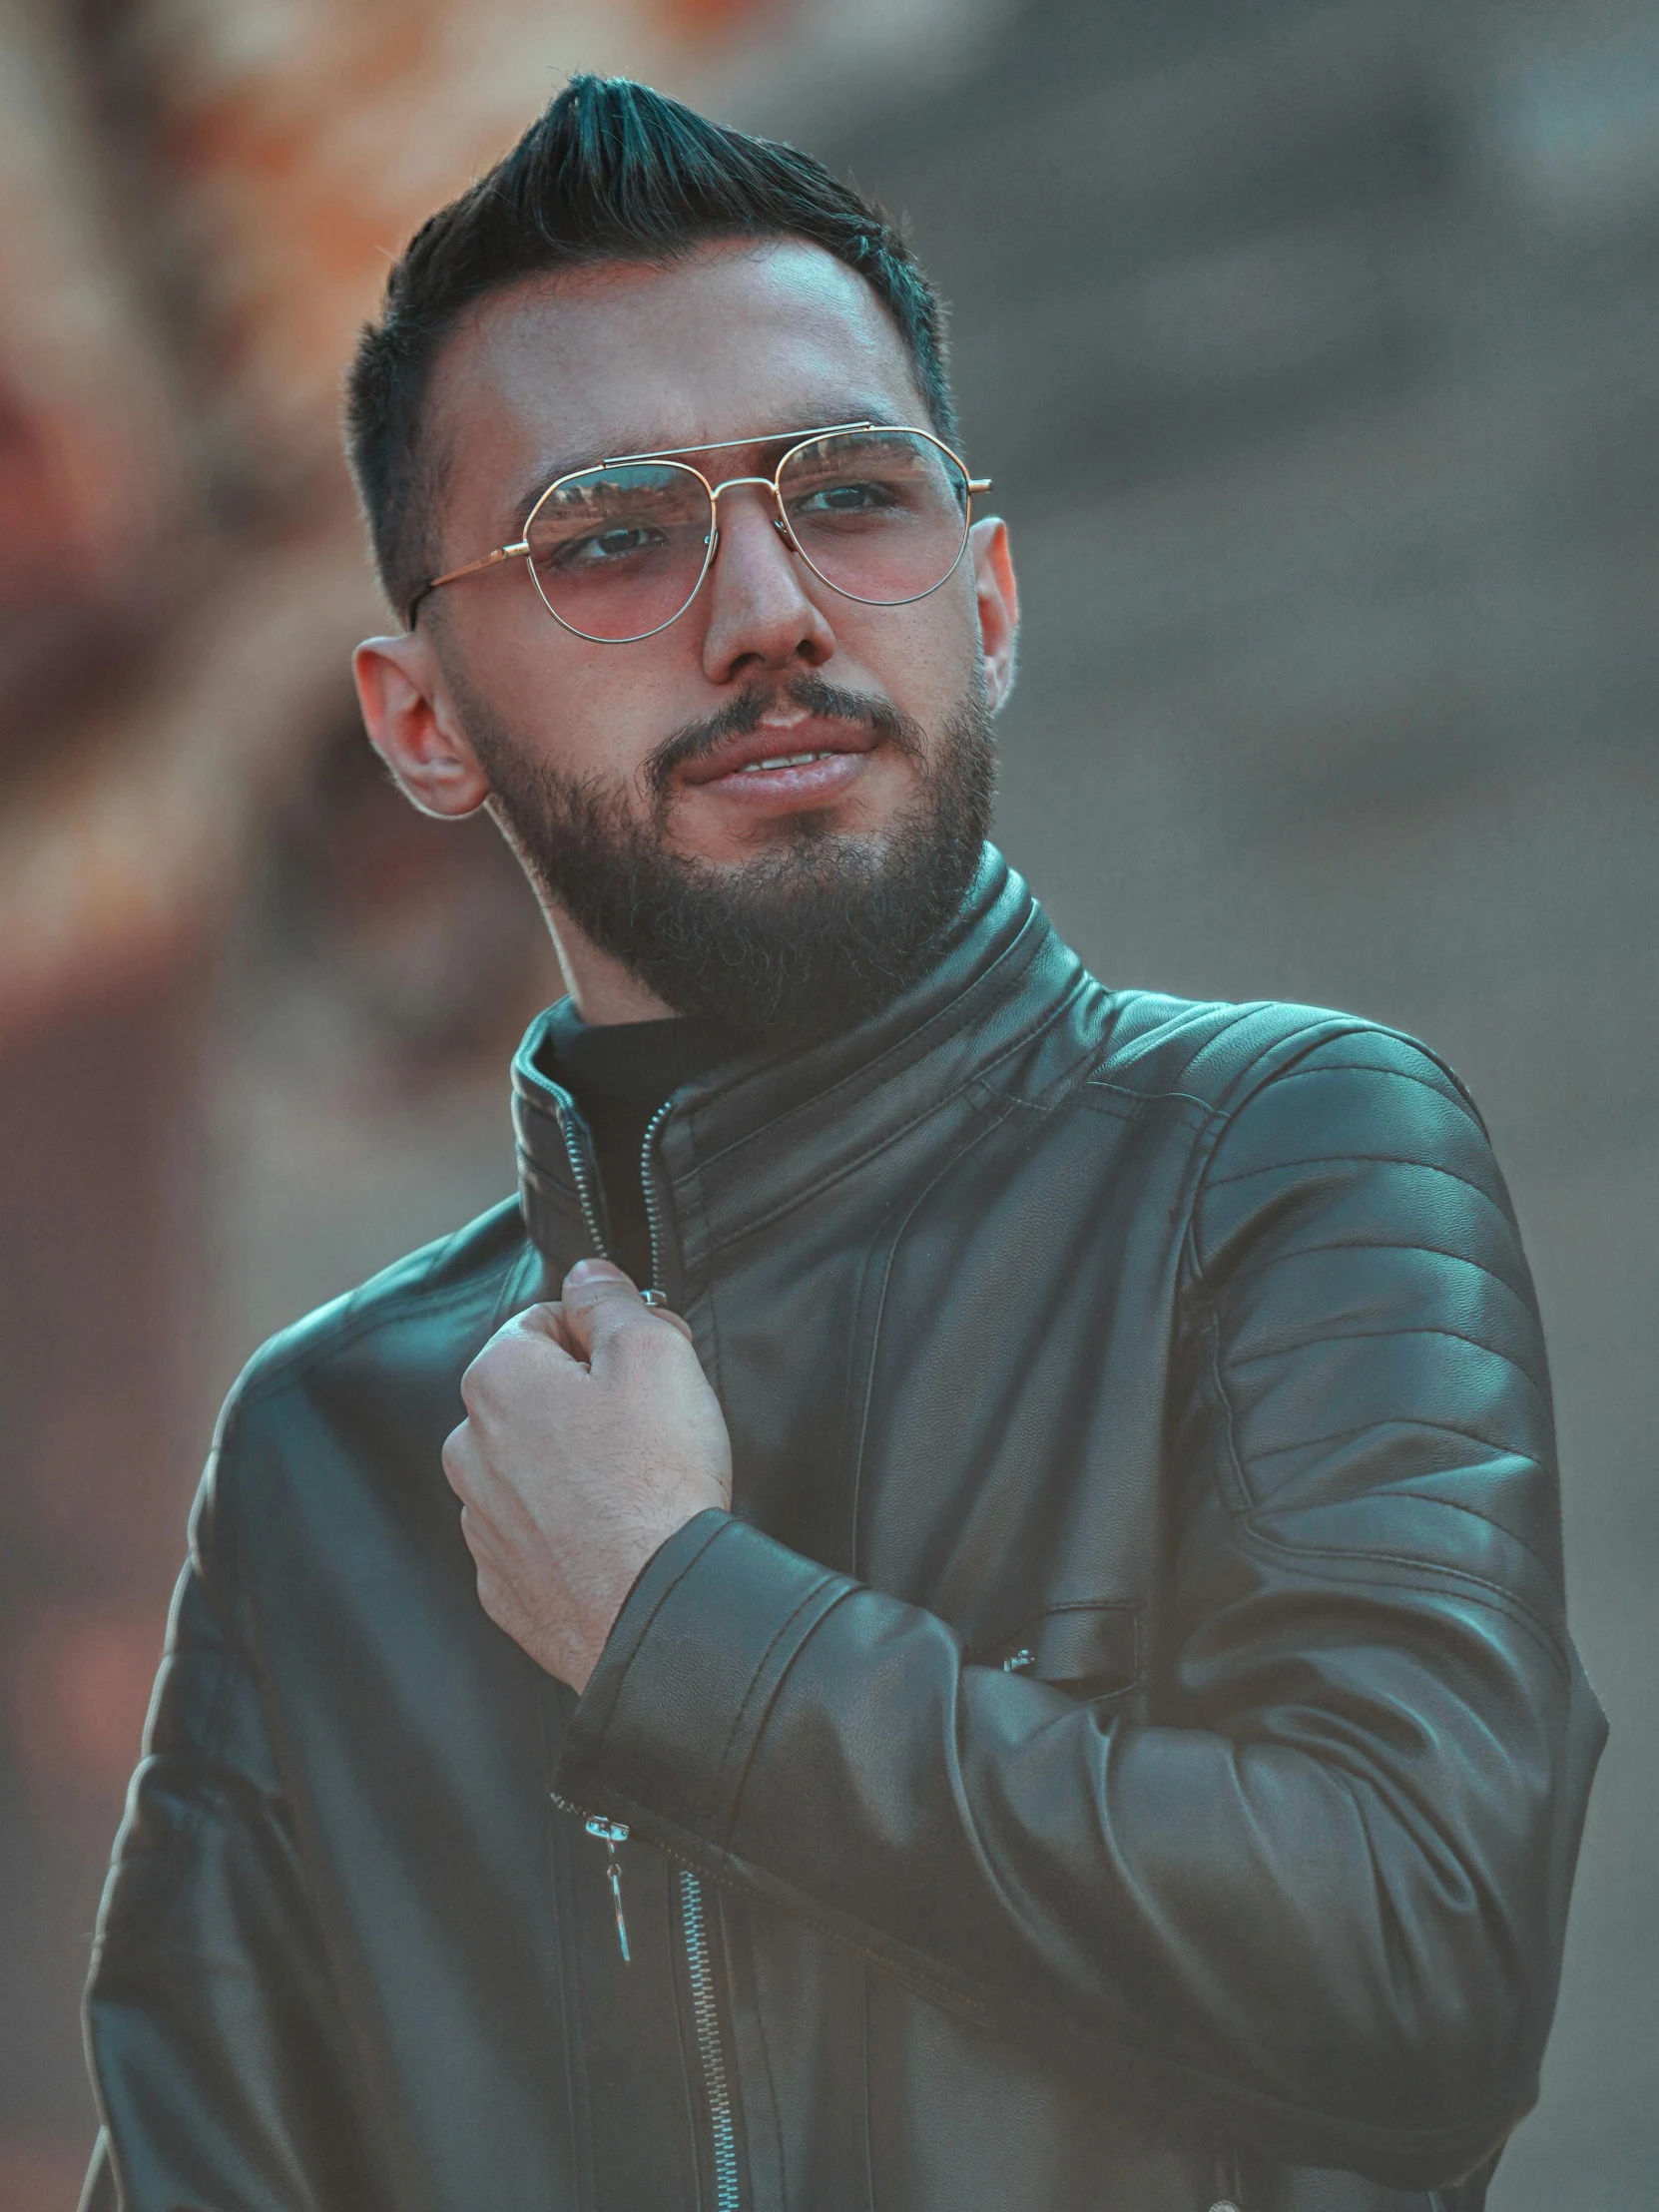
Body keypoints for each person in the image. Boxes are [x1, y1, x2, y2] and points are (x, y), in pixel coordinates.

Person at [81, 75, 1604, 2212]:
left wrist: (683, 1631)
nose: (773, 606)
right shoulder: (328, 1451)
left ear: (983, 599)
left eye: (852, 495)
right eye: (612, 536)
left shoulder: (1287, 1152)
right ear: (420, 722)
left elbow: (1423, 1973)